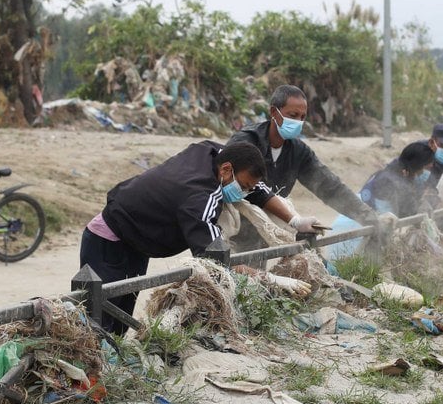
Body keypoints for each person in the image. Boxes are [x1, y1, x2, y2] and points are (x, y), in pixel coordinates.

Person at [80, 140, 266, 334]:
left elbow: (257, 185)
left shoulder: (209, 152)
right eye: (243, 186)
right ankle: (92, 362)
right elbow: (214, 257)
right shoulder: (200, 195)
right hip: (109, 239)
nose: (243, 193)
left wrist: (292, 219)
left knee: (121, 316)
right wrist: (256, 275)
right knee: (98, 319)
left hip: (137, 241)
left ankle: (112, 356)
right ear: (226, 169)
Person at [229, 84, 393, 246]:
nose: (298, 122)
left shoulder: (298, 152)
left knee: (258, 270)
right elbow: (254, 190)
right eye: (292, 115)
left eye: (302, 117)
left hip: (266, 231)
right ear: (273, 112)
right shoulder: (246, 143)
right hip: (232, 227)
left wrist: (369, 218)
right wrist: (295, 221)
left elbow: (330, 187)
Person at [357, 141, 435, 218]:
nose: (426, 173)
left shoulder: (400, 171)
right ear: (416, 165)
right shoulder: (388, 181)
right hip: (362, 223)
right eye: (426, 168)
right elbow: (407, 213)